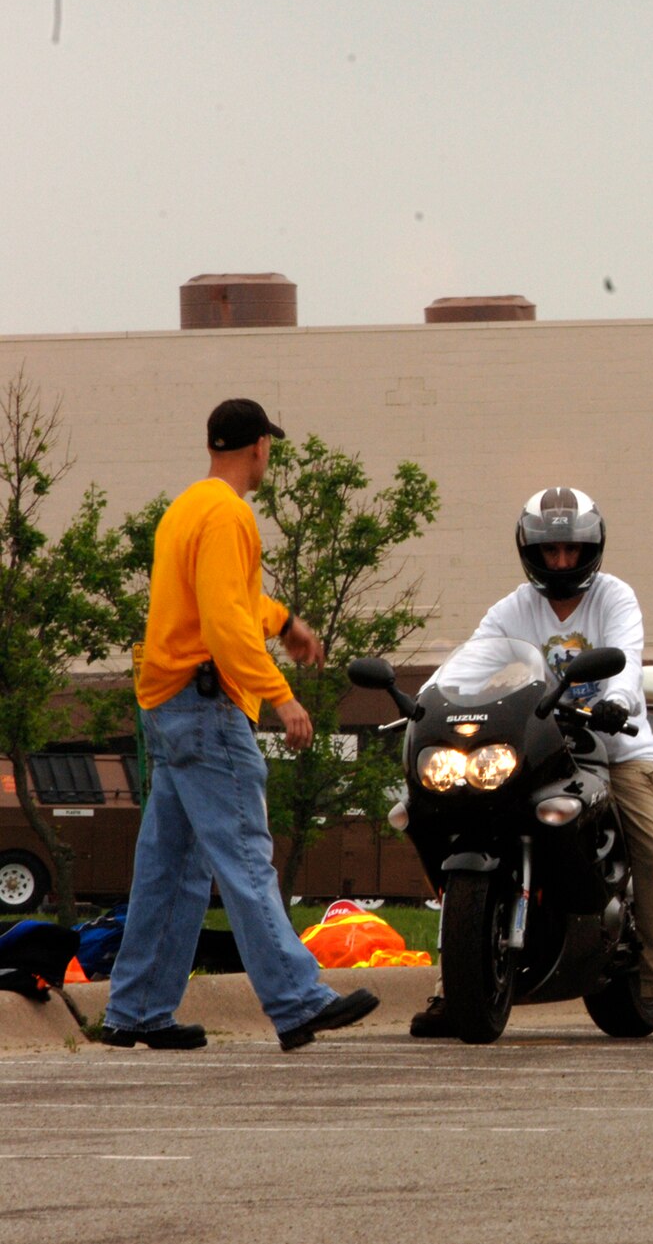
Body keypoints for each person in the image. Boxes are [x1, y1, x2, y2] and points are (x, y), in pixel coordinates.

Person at [104, 399, 379, 1051]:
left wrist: (283, 622)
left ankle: (136, 1008)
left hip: (164, 706)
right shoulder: (230, 514)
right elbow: (226, 621)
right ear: (258, 446)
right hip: (207, 708)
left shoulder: (187, 509)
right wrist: (280, 696)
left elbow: (228, 598)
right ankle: (297, 997)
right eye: (269, 448)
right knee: (246, 857)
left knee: (170, 865)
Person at [410, 487, 653, 1040]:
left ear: (591, 549)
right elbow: (470, 660)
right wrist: (427, 700)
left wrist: (617, 700)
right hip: (540, 747)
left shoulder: (615, 598)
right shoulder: (511, 609)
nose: (561, 561)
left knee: (652, 844)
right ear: (532, 551)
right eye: (550, 552)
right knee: (467, 823)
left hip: (615, 748)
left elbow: (626, 655)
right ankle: (453, 987)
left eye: (572, 551)